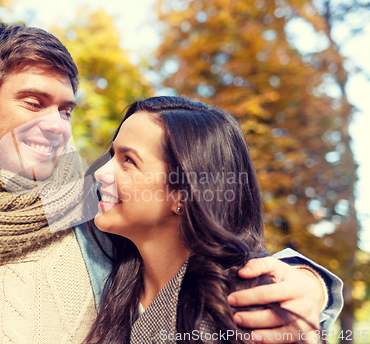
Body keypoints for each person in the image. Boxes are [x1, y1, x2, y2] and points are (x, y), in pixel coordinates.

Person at [0, 24, 342, 343]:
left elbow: (201, 249)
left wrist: (309, 284)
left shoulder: (94, 212)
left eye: (66, 109)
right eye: (35, 103)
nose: (58, 126)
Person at [85, 97, 339, 344]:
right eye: (112, 154)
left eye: (128, 160)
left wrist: (313, 285)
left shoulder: (247, 309)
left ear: (183, 193)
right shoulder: (109, 274)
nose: (101, 171)